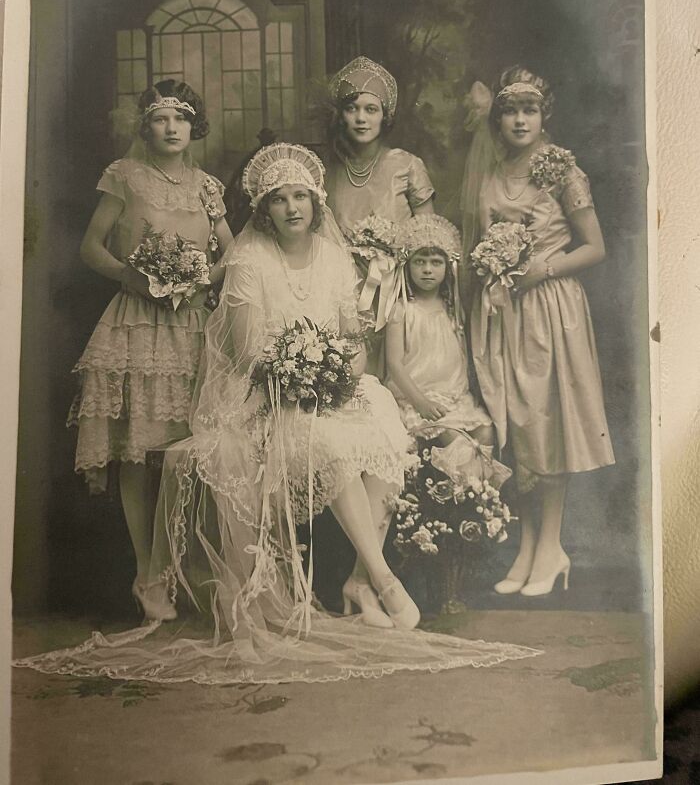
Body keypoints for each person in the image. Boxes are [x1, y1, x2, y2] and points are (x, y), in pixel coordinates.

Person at [16, 143, 540, 685]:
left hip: (321, 386)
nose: (293, 208)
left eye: (301, 198)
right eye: (279, 199)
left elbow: (351, 333)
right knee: (332, 445)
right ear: (264, 209)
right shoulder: (247, 260)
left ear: (316, 204)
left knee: (387, 431)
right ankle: (383, 580)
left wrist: (337, 371)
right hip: (259, 399)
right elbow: (246, 352)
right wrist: (297, 374)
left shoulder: (335, 257)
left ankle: (360, 578)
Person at [68, 79, 233, 618]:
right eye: (161, 119)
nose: (171, 128)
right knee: (141, 454)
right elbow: (91, 247)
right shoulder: (125, 176)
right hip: (137, 324)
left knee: (193, 452)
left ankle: (192, 568)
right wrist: (132, 277)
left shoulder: (209, 187)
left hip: (193, 327)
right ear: (147, 125)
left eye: (181, 119)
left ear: (194, 127)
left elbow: (234, 255)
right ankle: (148, 575)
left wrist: (203, 280)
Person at [467, 66, 615, 597]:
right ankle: (529, 545)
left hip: (552, 307)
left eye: (529, 109)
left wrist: (541, 270)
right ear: (499, 119)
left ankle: (553, 546)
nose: (520, 119)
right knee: (518, 425)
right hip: (506, 309)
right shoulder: (491, 175)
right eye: (510, 110)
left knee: (547, 421)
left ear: (543, 114)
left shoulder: (561, 169)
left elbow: (595, 247)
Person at [385, 213, 508, 489]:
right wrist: (421, 402)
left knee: (485, 431)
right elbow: (393, 363)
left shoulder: (452, 309)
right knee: (456, 441)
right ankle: (464, 500)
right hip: (416, 398)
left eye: (435, 262)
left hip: (453, 397)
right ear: (408, 266)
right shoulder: (402, 310)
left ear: (447, 266)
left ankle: (480, 502)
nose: (427, 270)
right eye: (420, 262)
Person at [325, 56, 435, 237]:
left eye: (371, 109)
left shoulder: (408, 166)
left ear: (385, 117)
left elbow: (428, 240)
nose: (361, 118)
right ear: (341, 117)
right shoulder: (326, 170)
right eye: (351, 109)